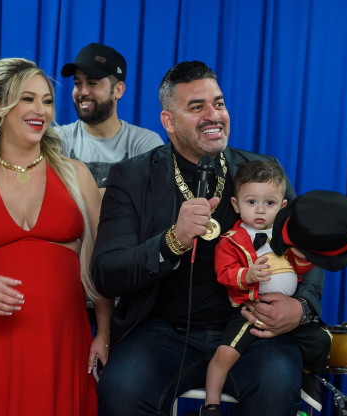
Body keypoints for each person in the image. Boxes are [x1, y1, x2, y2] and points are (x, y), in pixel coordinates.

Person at [91, 60, 325, 416]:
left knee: (277, 384)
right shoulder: (132, 178)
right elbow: (107, 272)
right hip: (163, 331)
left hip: (252, 326)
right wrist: (173, 240)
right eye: (197, 107)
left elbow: (308, 250)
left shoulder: (264, 172)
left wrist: (302, 309)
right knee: (121, 389)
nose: (214, 116)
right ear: (168, 121)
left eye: (219, 104)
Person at [0, 58, 111, 416]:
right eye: (27, 99)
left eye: (47, 101)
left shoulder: (77, 176)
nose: (40, 110)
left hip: (62, 339)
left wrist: (104, 334)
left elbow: (103, 263)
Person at [206, 163, 347, 415]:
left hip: (287, 313)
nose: (260, 210)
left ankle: (308, 377)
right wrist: (247, 275)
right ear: (236, 205)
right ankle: (211, 404)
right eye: (251, 202)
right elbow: (224, 273)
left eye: (269, 203)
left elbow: (300, 270)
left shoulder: (287, 236)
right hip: (251, 309)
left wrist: (303, 257)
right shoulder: (230, 240)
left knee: (323, 340)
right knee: (226, 352)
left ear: (282, 207)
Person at [58, 42, 163, 196]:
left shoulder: (146, 145)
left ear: (118, 90)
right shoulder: (58, 139)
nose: (83, 91)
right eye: (77, 83)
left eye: (93, 83)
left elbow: (154, 202)